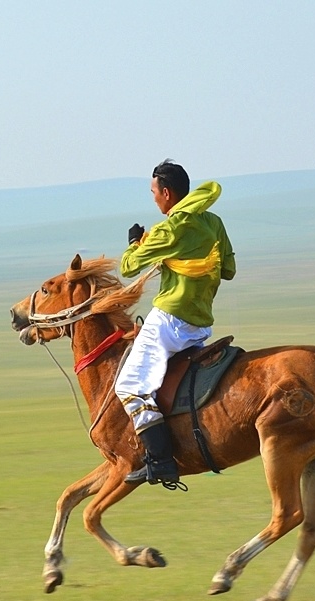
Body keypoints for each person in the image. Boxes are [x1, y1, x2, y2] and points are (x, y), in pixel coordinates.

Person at [115, 160, 236, 488]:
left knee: (129, 387)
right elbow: (228, 271)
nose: (154, 199)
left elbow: (127, 268)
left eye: (154, 193)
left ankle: (160, 460)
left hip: (169, 322)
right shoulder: (213, 221)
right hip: (200, 325)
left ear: (167, 193)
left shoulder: (170, 230)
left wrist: (136, 243)